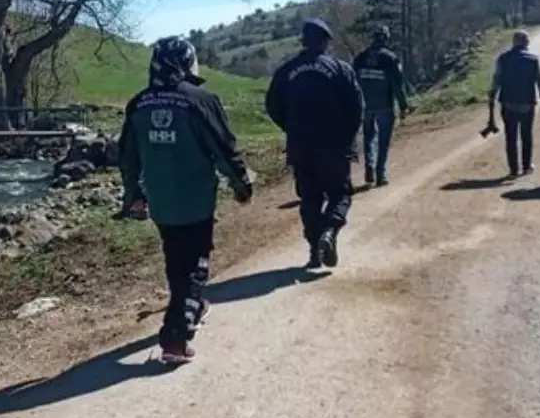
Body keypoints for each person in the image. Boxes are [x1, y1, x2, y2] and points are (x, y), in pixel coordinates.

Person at [118, 36, 253, 365]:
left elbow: (128, 157)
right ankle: (175, 338)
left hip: (162, 201)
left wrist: (133, 196)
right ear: (188, 61)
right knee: (195, 266)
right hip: (195, 198)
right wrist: (241, 183)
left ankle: (192, 306)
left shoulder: (139, 103)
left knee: (176, 259)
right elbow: (223, 147)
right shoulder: (200, 100)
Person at [265, 18, 364, 269]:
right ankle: (330, 231)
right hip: (335, 147)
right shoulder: (341, 70)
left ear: (303, 41)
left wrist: (291, 129)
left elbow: (272, 107)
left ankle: (313, 251)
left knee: (309, 198)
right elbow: (356, 108)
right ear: (325, 42)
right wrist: (347, 137)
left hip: (301, 147)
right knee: (340, 194)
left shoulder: (286, 72)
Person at [353, 25, 411, 187]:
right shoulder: (390, 58)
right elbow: (397, 85)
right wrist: (403, 106)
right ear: (386, 38)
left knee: (369, 138)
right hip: (384, 106)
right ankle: (380, 174)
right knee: (383, 140)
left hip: (365, 107)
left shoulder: (360, 58)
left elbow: (352, 82)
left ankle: (369, 167)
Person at [488, 30, 540, 177]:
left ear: (514, 42)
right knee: (526, 135)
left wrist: (492, 96)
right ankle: (527, 166)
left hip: (508, 102)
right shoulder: (533, 60)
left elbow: (497, 79)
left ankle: (513, 169)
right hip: (527, 103)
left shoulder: (503, 59)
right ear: (526, 42)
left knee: (511, 137)